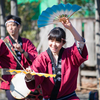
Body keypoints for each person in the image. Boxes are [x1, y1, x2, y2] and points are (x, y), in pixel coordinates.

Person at [25, 18, 88, 100]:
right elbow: (36, 72)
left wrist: (71, 28)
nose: (53, 44)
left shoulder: (70, 55)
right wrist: (29, 77)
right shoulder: (42, 57)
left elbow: (80, 43)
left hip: (69, 97)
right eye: (51, 40)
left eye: (57, 41)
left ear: (63, 43)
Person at [0, 14, 38, 100]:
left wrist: (22, 51)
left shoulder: (26, 42)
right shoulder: (3, 43)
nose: (10, 28)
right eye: (8, 26)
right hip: (9, 80)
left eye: (13, 25)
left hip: (25, 80)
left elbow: (35, 58)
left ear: (18, 26)